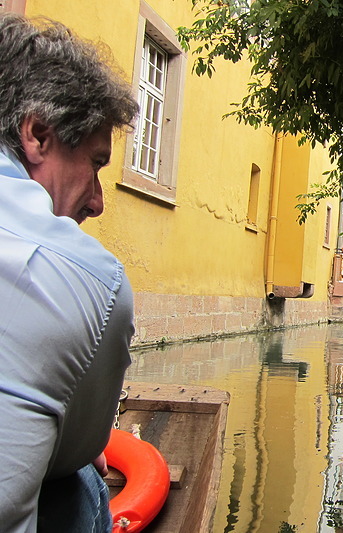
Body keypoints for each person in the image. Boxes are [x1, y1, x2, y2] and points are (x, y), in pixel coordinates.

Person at [0, 13, 138, 532]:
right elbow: (85, 444)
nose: (99, 202)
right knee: (80, 480)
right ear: (37, 134)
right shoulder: (93, 278)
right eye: (96, 163)